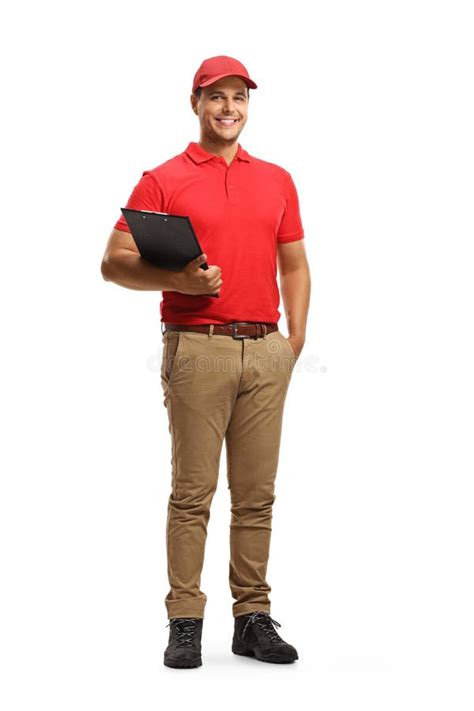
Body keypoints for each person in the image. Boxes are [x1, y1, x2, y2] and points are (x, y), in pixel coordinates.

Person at [101, 55, 311, 668]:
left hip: (265, 349)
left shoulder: (276, 178)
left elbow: (294, 262)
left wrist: (294, 341)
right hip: (197, 347)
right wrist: (184, 285)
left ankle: (252, 617)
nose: (228, 108)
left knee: (256, 496)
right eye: (215, 97)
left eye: (239, 98)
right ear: (195, 103)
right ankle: (186, 619)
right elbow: (113, 262)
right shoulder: (162, 178)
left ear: (248, 106)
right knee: (192, 493)